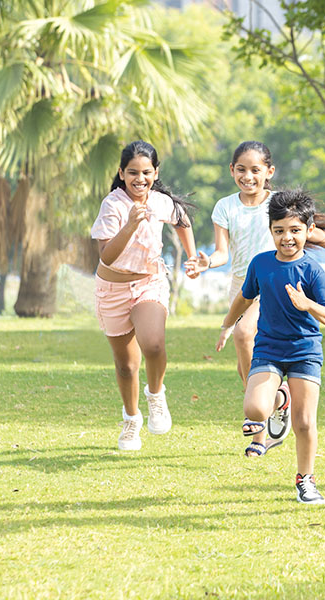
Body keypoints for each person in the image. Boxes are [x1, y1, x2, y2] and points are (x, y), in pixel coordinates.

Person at [185, 141, 325, 457]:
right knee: (244, 356)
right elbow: (222, 252)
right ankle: (273, 404)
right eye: (241, 169)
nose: (248, 176)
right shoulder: (225, 207)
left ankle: (265, 414)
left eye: (255, 170)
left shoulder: (278, 204)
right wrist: (207, 262)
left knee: (243, 332)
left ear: (269, 172)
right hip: (245, 280)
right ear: (232, 170)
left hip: (274, 281)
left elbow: (313, 233)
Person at [216, 189, 325, 504]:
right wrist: (227, 325)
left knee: (304, 422)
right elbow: (244, 298)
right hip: (269, 350)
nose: (287, 238)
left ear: (309, 231)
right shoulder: (261, 264)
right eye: (279, 231)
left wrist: (308, 304)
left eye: (295, 230)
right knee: (254, 409)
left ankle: (306, 480)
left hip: (304, 352)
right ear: (270, 230)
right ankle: (279, 399)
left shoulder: (313, 270)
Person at [91, 140, 199, 451]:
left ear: (156, 172)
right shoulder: (113, 205)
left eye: (147, 172)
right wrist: (130, 224)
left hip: (149, 283)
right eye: (133, 173)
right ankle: (131, 419)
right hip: (112, 289)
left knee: (153, 343)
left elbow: (181, 219)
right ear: (122, 173)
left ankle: (156, 396)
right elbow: (107, 256)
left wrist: (192, 257)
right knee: (126, 366)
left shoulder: (160, 201)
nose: (140, 179)